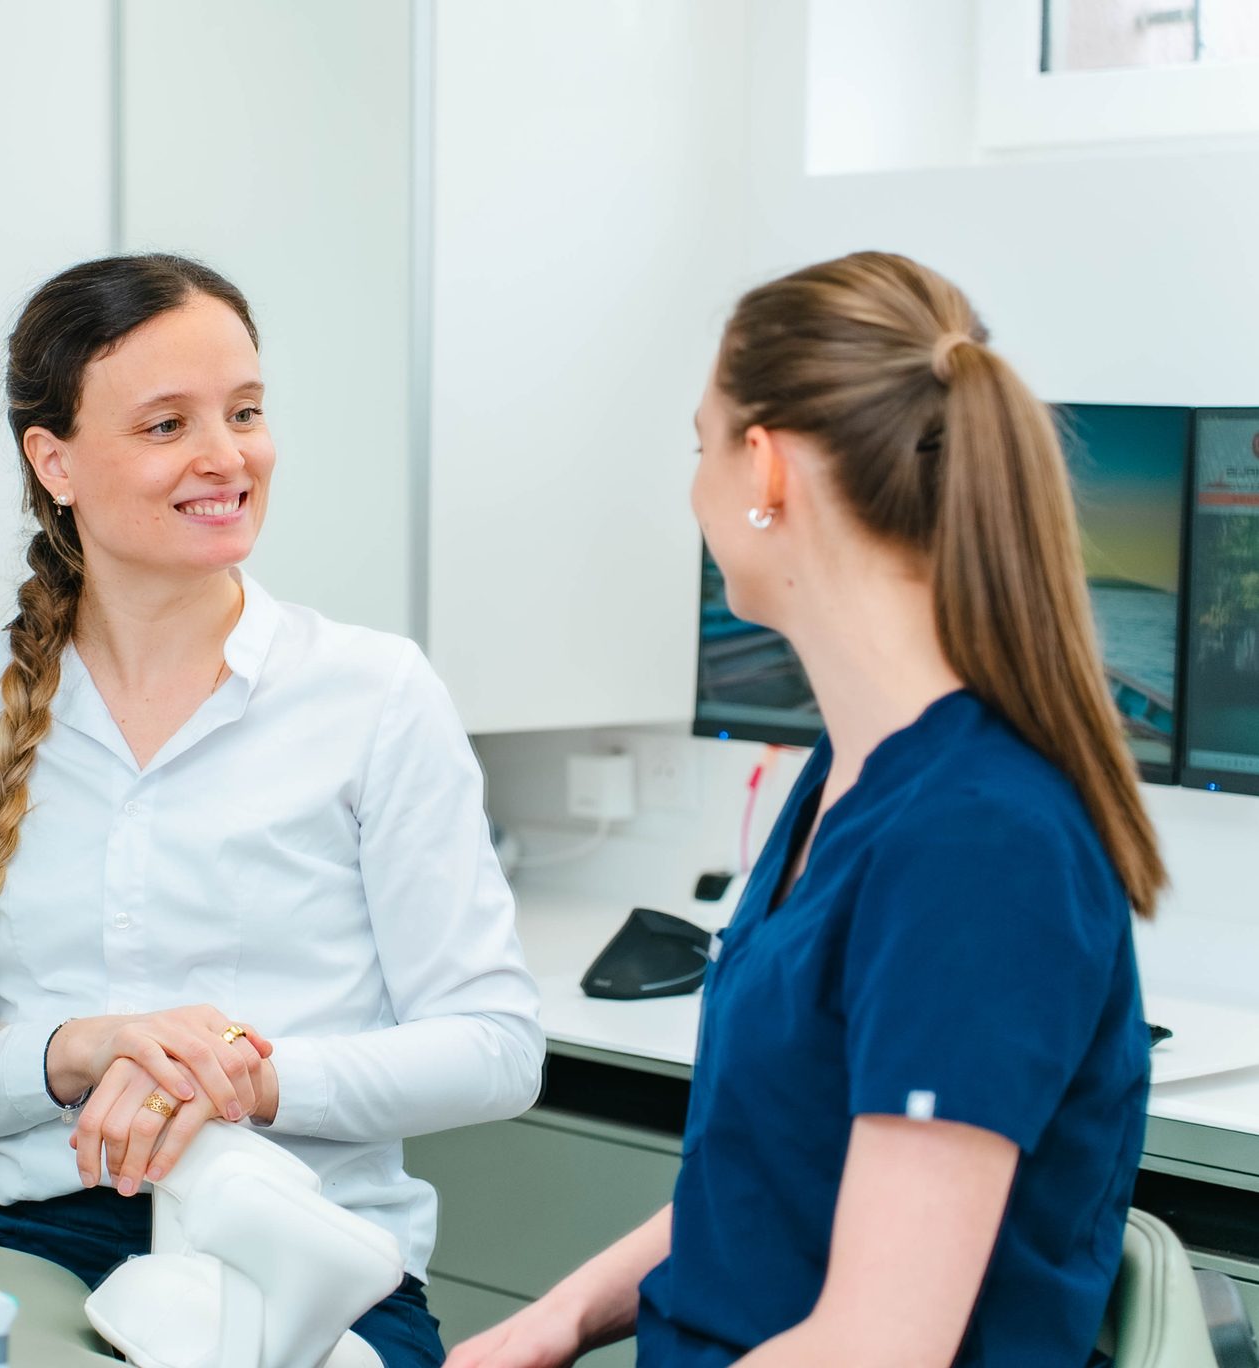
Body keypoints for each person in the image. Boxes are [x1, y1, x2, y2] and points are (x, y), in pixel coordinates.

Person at [447, 252, 1159, 1368]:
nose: (694, 488)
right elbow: (771, 1186)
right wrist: (559, 1319)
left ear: (765, 470)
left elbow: (877, 1345)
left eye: (701, 446)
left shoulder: (979, 844)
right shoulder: (846, 777)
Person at [0, 253, 544, 1368]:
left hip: (313, 1259)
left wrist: (246, 1080)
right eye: (168, 424)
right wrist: (85, 1049)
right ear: (55, 460)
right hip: (43, 1243)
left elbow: (497, 1048)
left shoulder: (374, 693)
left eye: (245, 412)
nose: (227, 457)